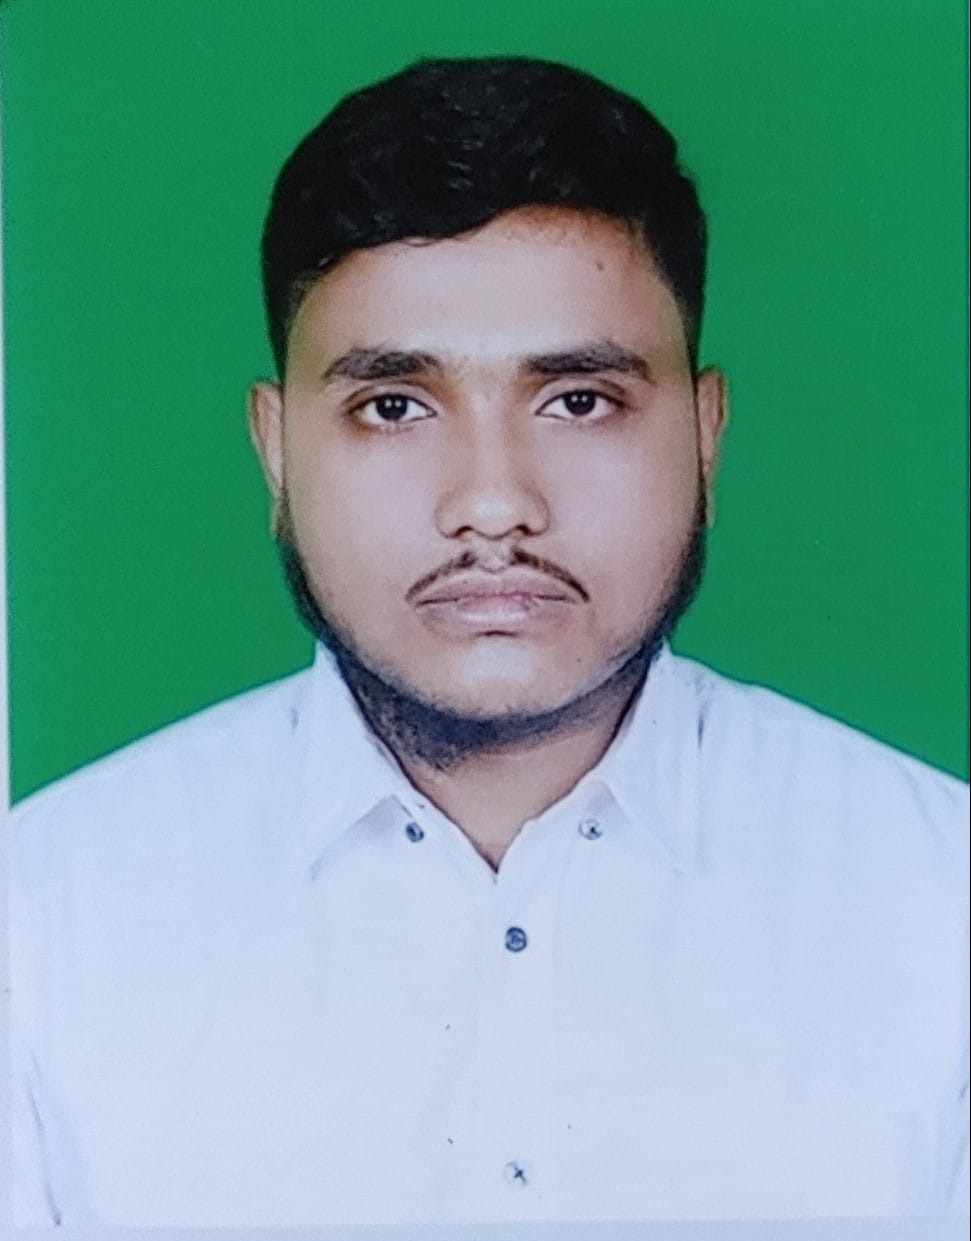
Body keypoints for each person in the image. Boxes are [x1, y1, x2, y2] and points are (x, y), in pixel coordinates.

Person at [9, 56, 968, 1227]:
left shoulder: (939, 903)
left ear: (705, 436)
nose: (494, 503)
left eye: (578, 400)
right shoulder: (42, 917)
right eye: (393, 406)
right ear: (275, 451)